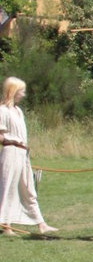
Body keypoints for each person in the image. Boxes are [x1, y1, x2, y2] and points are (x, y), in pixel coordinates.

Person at [0, 77, 59, 236]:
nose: (24, 94)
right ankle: (6, 225)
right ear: (13, 91)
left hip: (22, 153)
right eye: (21, 91)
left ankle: (41, 224)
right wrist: (11, 141)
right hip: (10, 151)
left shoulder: (18, 111)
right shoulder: (3, 111)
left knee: (28, 188)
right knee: (8, 188)